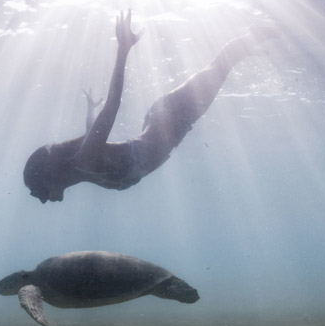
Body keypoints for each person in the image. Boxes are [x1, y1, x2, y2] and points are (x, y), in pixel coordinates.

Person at [23, 10, 275, 203]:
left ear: (48, 174)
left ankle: (252, 36)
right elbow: (93, 130)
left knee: (221, 66)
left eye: (37, 192)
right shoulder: (84, 163)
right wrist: (90, 108)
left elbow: (112, 106)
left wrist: (123, 50)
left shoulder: (86, 160)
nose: (42, 199)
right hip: (165, 120)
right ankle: (248, 44)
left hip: (172, 116)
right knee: (221, 68)